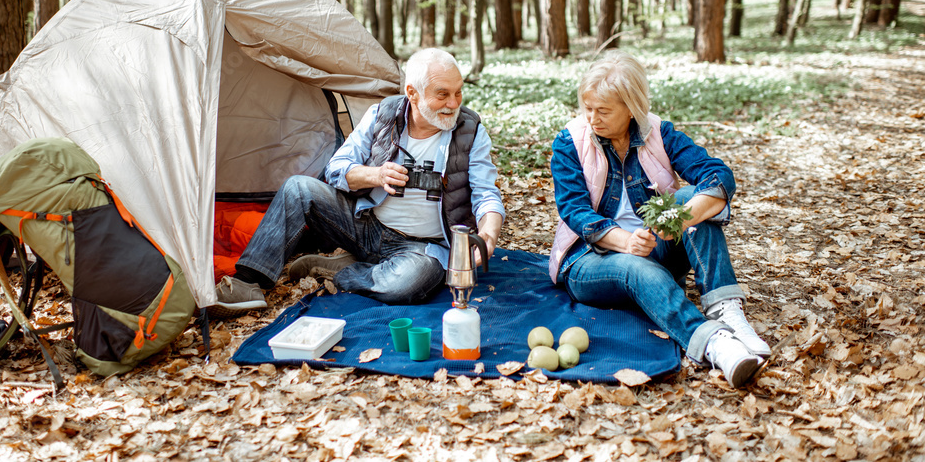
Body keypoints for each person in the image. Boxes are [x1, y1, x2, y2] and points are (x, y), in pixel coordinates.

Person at [211, 48, 505, 316]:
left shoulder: (470, 131)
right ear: (412, 93)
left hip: (421, 247)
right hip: (365, 226)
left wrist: (488, 236)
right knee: (298, 188)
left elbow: (485, 195)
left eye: (458, 93)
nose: (453, 104)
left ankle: (345, 271)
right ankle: (248, 282)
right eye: (442, 95)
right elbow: (336, 169)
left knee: (412, 282)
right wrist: (375, 175)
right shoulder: (382, 115)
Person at [549, 50, 769, 388]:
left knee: (690, 201)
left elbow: (719, 175)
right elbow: (574, 211)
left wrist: (683, 219)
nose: (593, 119)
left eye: (604, 110)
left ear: (632, 107)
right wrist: (625, 241)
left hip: (658, 248)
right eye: (588, 108)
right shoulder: (570, 141)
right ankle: (716, 345)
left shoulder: (659, 132)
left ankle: (726, 309)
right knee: (636, 267)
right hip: (590, 262)